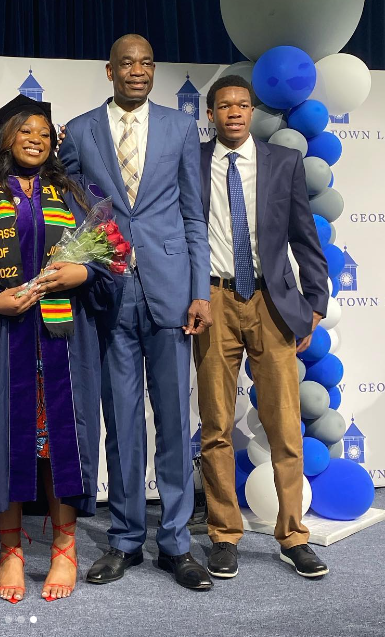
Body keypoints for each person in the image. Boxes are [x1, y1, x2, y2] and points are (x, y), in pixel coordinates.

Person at [0, 94, 119, 603]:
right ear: (5, 136)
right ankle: (11, 551)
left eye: (44, 132)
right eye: (25, 131)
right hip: (2, 340)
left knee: (61, 441)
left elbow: (110, 257)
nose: (36, 139)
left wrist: (83, 270)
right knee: (7, 439)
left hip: (65, 339)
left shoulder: (76, 194)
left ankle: (64, 548)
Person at [58, 34, 213, 590]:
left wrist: (201, 291)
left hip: (172, 292)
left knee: (173, 418)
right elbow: (71, 212)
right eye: (128, 63)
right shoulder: (77, 131)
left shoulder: (178, 126)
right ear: (109, 71)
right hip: (108, 294)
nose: (139, 72)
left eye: (147, 64)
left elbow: (193, 217)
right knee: (121, 423)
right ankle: (124, 539)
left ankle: (175, 541)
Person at [196, 75, 329, 579]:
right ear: (210, 114)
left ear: (251, 111)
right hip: (212, 299)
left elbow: (303, 233)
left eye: (242, 104)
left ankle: (294, 536)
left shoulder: (283, 162)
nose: (234, 112)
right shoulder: (195, 162)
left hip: (273, 302)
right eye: (224, 105)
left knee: (283, 426)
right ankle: (224, 534)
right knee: (215, 425)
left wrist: (315, 301)